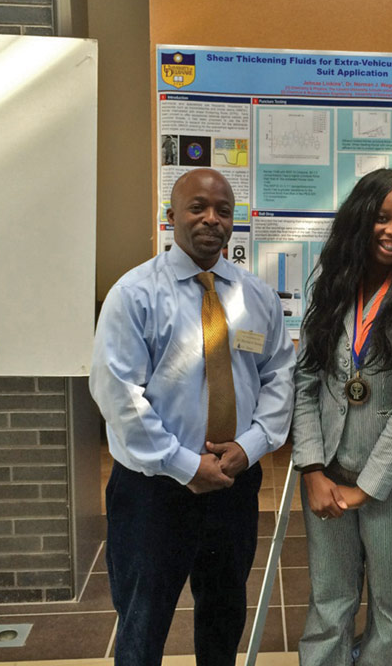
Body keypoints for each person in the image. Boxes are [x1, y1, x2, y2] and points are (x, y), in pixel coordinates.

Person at [89, 168, 295, 666]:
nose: (211, 219)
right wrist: (184, 464)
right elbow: (118, 393)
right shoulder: (135, 294)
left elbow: (280, 375)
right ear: (171, 216)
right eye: (197, 207)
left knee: (223, 617)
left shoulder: (256, 297)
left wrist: (251, 446)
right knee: (143, 622)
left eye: (223, 211)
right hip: (154, 490)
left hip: (232, 483)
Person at [292, 168, 392, 665]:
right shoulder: (330, 288)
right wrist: (313, 470)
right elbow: (304, 384)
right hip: (327, 478)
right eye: (382, 218)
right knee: (329, 603)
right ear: (360, 220)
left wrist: (366, 488)